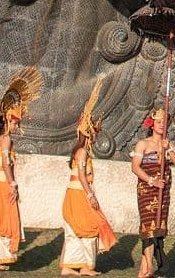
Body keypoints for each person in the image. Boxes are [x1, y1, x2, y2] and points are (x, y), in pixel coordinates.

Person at [0, 67, 42, 272]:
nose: (16, 126)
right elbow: (5, 163)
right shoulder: (6, 140)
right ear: (8, 120)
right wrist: (12, 184)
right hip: (0, 184)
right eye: (15, 122)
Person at [60, 80, 117, 276]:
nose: (94, 137)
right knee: (87, 227)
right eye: (93, 133)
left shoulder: (82, 151)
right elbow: (83, 176)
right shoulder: (82, 152)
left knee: (82, 228)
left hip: (77, 194)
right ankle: (75, 265)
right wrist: (90, 195)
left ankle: (80, 265)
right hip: (79, 195)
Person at [132, 108, 175, 278]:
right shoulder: (143, 144)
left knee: (158, 228)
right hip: (147, 190)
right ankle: (150, 266)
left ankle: (144, 269)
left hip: (163, 192)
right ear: (152, 124)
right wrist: (151, 180)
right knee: (148, 227)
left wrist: (169, 150)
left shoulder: (168, 144)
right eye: (159, 122)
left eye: (164, 122)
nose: (162, 125)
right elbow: (135, 167)